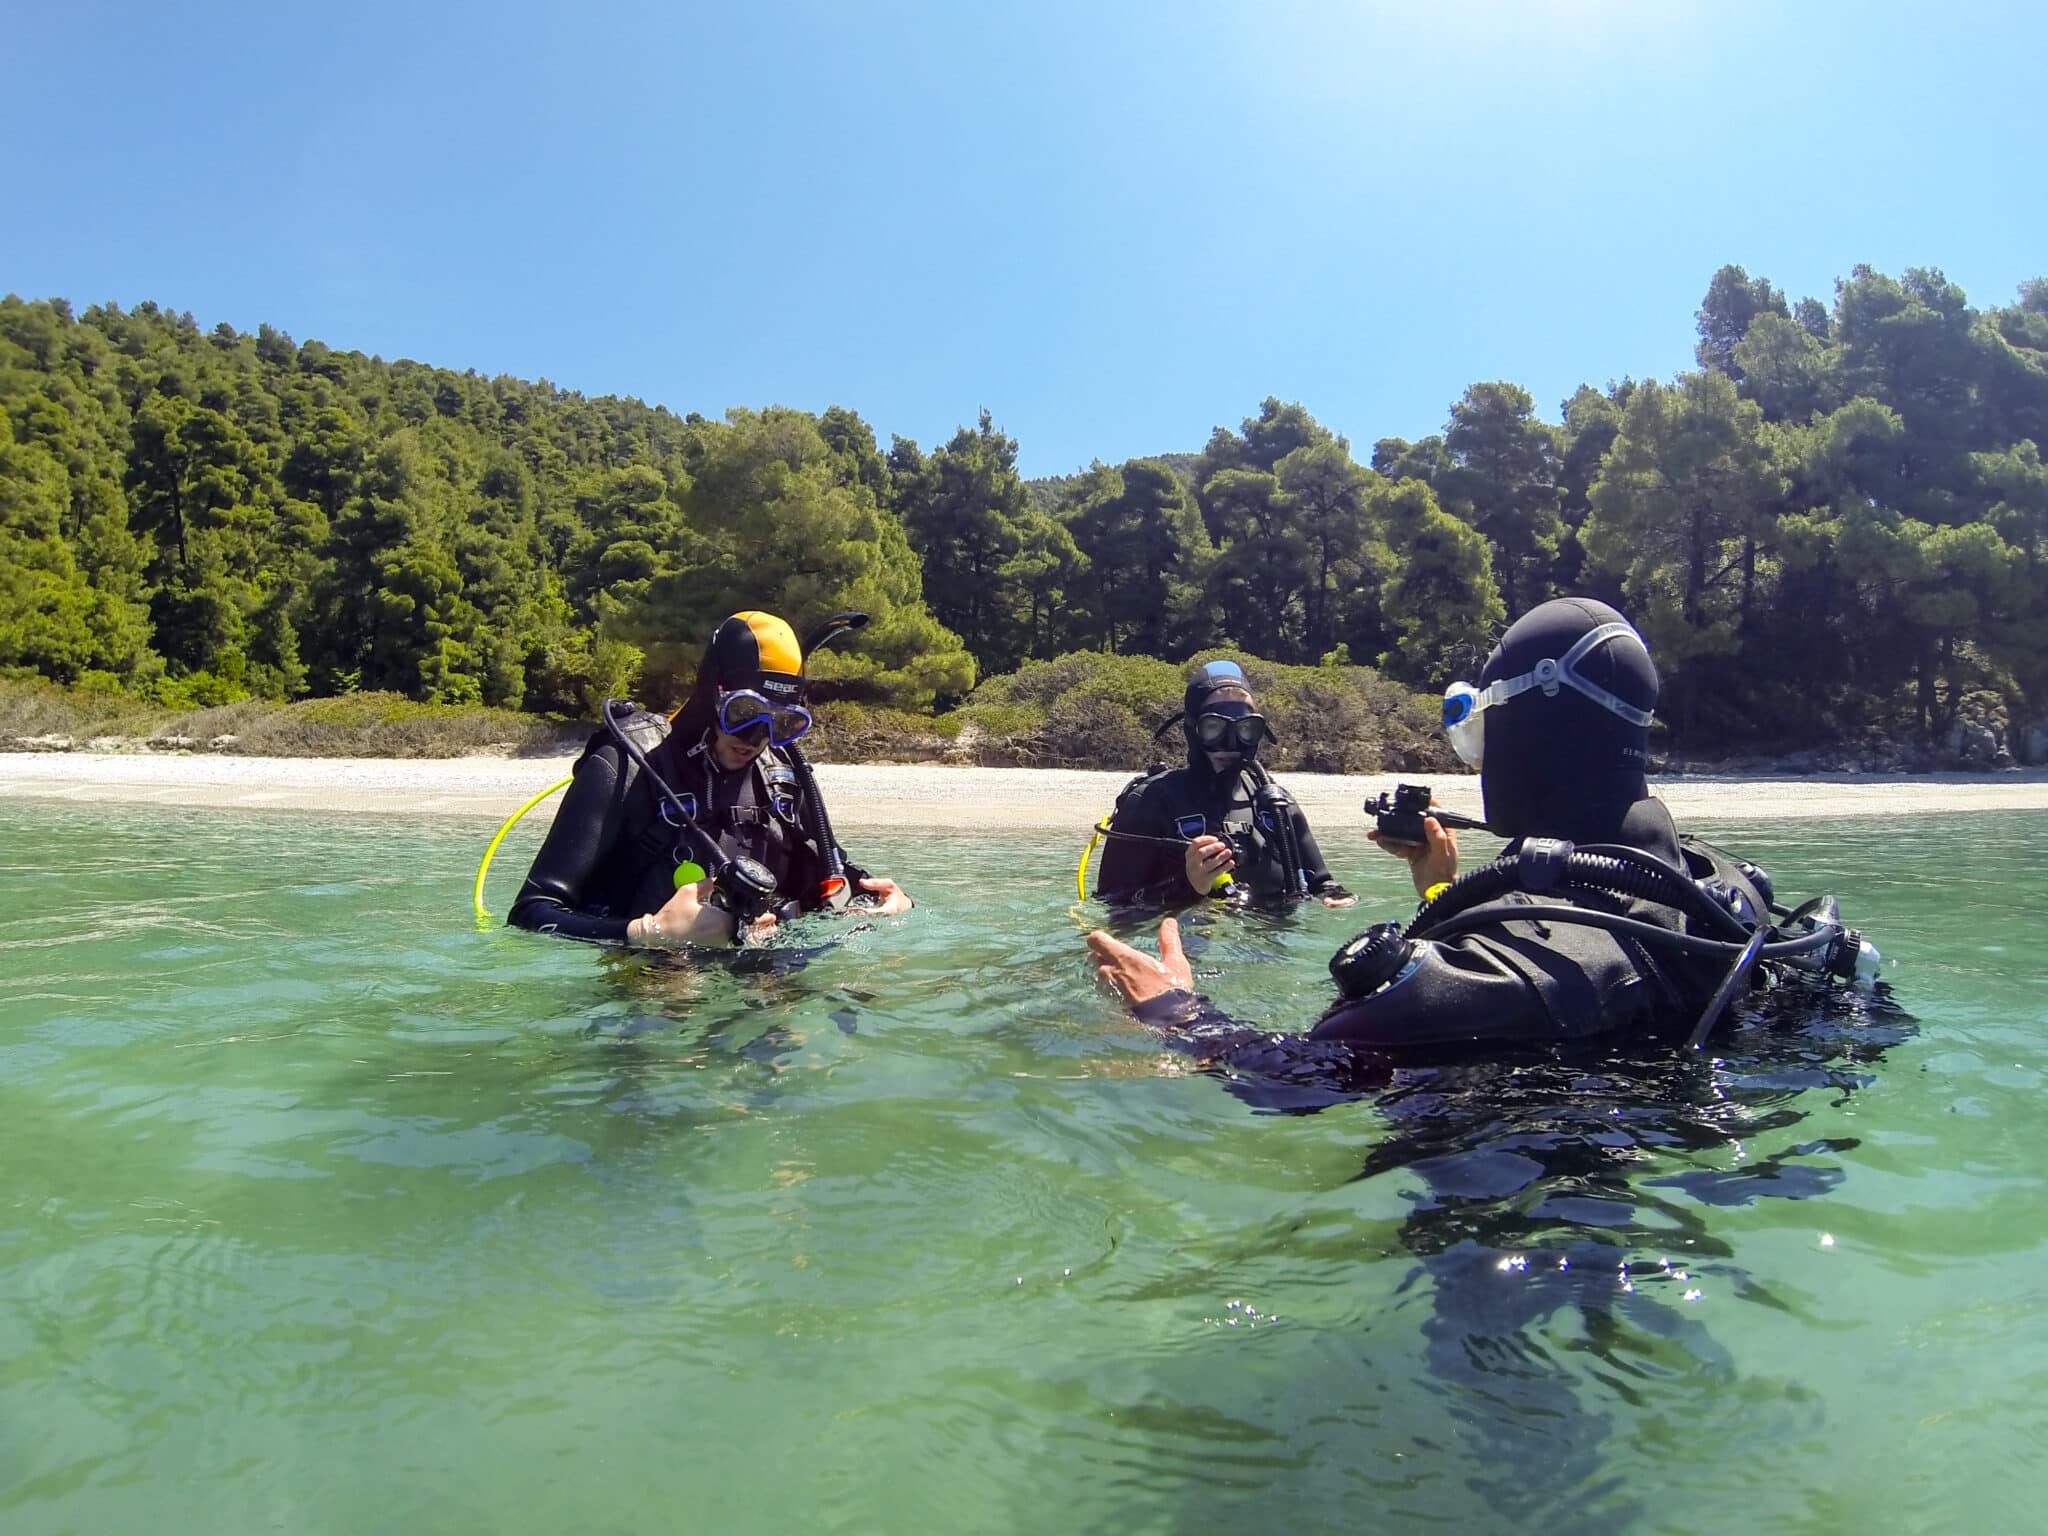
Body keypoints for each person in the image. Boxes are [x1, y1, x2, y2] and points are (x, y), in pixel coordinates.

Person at [1088, 598, 1872, 1052]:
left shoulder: (1494, 971)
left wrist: (1175, 1010)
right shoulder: (1714, 884)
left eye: (1479, 731)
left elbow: (1293, 1078)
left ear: (1525, 734)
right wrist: (1443, 893)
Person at [509, 609, 913, 949]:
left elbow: (832, 874)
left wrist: (886, 902)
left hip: (764, 984)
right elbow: (531, 912)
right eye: (743, 714)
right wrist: (644, 933)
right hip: (647, 986)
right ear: (711, 693)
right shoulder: (624, 767)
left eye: (781, 723)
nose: (756, 740)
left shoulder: (783, 780)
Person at [1092, 659, 1354, 908]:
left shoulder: (1274, 804)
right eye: (1214, 727)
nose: (1229, 744)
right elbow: (1113, 905)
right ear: (1192, 728)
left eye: (1245, 729)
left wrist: (1334, 899)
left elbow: (1323, 885)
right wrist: (1189, 885)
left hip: (1269, 947)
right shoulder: (1151, 801)